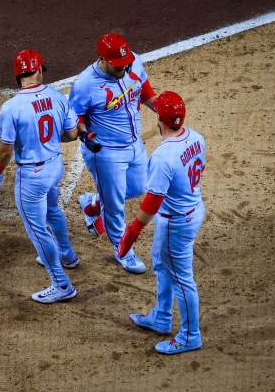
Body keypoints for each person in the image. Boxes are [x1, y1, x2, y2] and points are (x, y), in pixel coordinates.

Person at [0, 50, 80, 304]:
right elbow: (72, 134)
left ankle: (61, 284)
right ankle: (68, 255)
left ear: (18, 76)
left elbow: (5, 150)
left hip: (32, 176)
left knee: (38, 231)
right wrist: (47, 140)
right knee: (52, 211)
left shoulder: (12, 107)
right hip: (55, 166)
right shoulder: (57, 96)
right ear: (38, 70)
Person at [119, 91, 206, 355]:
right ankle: (161, 316)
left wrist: (133, 230)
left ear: (160, 119)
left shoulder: (163, 157)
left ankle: (191, 335)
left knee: (182, 278)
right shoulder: (197, 138)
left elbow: (151, 203)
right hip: (193, 209)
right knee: (161, 263)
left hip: (176, 223)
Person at [68, 32, 157, 274]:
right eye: (117, 65)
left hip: (134, 143)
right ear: (102, 59)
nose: (123, 68)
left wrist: (160, 109)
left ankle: (93, 203)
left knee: (140, 187)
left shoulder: (133, 62)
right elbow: (75, 114)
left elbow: (145, 90)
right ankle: (122, 248)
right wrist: (85, 135)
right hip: (106, 152)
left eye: (125, 62)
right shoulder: (86, 83)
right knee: (115, 205)